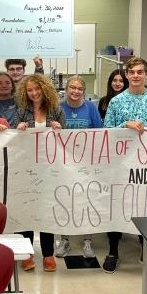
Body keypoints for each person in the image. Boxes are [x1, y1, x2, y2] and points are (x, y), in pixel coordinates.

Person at [103, 57, 147, 273]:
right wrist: (124, 125)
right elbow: (106, 132)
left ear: (146, 74)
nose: (136, 75)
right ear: (127, 75)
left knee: (146, 205)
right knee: (117, 204)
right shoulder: (116, 102)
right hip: (120, 164)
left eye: (140, 72)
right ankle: (113, 251)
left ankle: (146, 249)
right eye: (132, 72)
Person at [14, 73, 65, 273]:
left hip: (50, 169)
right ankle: (26, 252)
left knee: (46, 210)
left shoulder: (56, 110)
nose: (34, 93)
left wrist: (60, 129)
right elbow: (12, 138)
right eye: (30, 90)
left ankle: (48, 254)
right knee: (27, 208)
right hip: (27, 169)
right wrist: (17, 129)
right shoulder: (21, 112)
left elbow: (66, 140)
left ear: (44, 89)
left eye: (37, 89)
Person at [55, 75, 103, 259]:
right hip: (64, 163)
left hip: (86, 163)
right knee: (64, 199)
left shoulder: (90, 107)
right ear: (66, 90)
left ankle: (88, 240)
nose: (75, 91)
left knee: (87, 199)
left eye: (79, 89)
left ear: (84, 91)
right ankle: (64, 239)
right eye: (72, 88)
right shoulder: (58, 107)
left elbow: (100, 133)